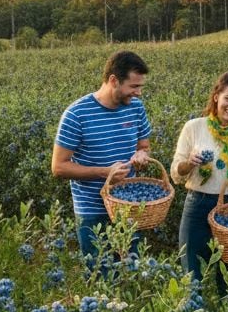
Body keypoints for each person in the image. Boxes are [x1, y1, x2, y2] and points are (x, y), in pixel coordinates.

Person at [51, 50, 153, 263]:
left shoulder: (136, 108)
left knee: (130, 271)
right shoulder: (77, 114)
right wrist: (105, 173)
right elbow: (59, 167)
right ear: (114, 80)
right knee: (100, 273)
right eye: (134, 86)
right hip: (92, 212)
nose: (139, 93)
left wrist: (142, 155)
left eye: (140, 86)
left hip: (128, 206)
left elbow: (144, 145)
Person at [170, 71, 228, 294]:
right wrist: (189, 164)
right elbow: (176, 173)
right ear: (216, 97)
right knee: (190, 273)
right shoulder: (194, 127)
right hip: (198, 204)